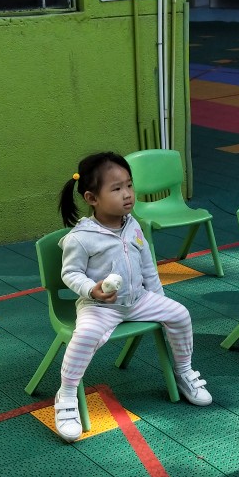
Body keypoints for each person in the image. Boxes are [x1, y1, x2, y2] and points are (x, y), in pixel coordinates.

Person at [53, 152, 212, 443]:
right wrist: (91, 289)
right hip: (100, 306)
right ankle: (66, 394)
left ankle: (184, 372)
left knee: (179, 314)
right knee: (84, 336)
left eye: (129, 185)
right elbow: (70, 273)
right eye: (116, 188)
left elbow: (147, 264)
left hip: (138, 300)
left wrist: (158, 299)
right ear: (92, 198)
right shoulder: (81, 237)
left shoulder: (132, 224)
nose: (127, 194)